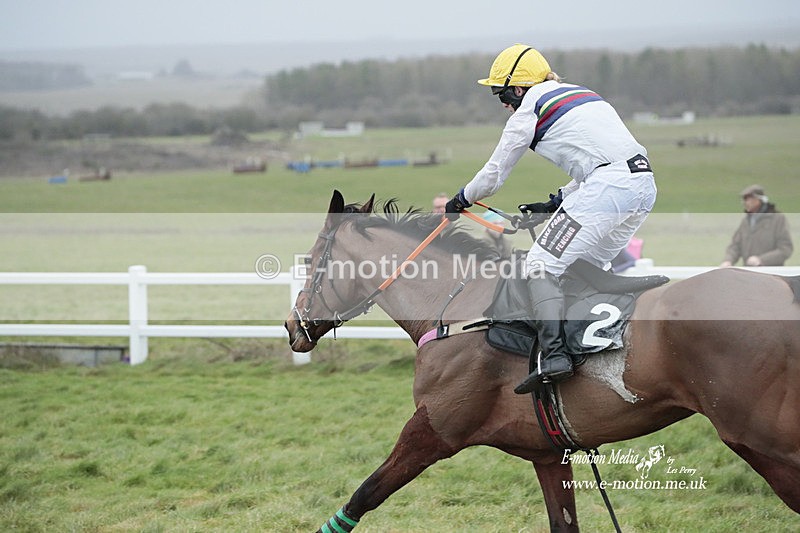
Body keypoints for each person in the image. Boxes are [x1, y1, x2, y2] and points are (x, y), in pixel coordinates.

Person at [443, 44, 657, 394]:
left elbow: (495, 174)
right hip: (642, 187)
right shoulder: (584, 93)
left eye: (500, 94)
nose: (502, 104)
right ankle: (593, 347)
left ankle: (554, 357)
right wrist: (555, 201)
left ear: (517, 88)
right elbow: (603, 160)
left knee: (539, 265)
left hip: (607, 190)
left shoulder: (526, 113)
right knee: (583, 267)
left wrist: (462, 198)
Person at [720, 185, 793, 267]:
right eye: (744, 199)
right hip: (749, 274)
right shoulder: (746, 221)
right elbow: (735, 246)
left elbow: (785, 249)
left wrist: (761, 260)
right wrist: (728, 260)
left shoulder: (778, 219)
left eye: (748, 199)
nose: (745, 202)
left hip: (771, 274)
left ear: (758, 200)